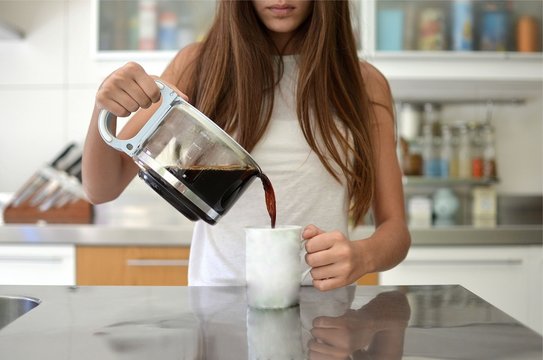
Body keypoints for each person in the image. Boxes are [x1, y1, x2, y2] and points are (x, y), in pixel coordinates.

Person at [82, 0, 411, 291]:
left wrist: (364, 256)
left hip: (324, 314)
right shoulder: (198, 65)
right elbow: (102, 189)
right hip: (217, 304)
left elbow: (395, 229)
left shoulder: (363, 83)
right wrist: (105, 108)